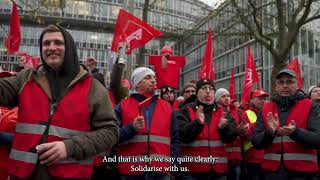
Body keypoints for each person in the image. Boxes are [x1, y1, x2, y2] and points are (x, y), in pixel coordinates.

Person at [0, 24, 119, 180]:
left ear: (69, 48)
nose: (51, 47)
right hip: (21, 175)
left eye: (58, 43)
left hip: (69, 175)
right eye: (46, 43)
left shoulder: (94, 88)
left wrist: (69, 147)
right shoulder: (26, 78)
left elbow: (110, 132)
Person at [252, 69, 320, 180]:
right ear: (276, 86)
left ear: (297, 85)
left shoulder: (310, 106)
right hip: (271, 173)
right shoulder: (265, 108)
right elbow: (256, 142)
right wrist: (270, 132)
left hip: (302, 174)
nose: (285, 86)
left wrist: (296, 132)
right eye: (281, 82)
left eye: (289, 82)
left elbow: (317, 139)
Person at [114, 67, 180, 180]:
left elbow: (175, 139)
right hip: (131, 172)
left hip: (161, 172)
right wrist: (131, 128)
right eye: (148, 77)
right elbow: (111, 137)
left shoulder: (167, 107)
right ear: (137, 83)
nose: (153, 80)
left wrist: (172, 164)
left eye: (154, 77)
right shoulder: (122, 106)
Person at [177, 79, 238, 180]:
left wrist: (223, 128)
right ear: (197, 93)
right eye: (204, 88)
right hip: (193, 172)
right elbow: (182, 136)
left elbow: (231, 138)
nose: (208, 91)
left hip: (218, 172)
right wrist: (197, 123)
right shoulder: (186, 110)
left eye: (211, 89)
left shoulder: (223, 112)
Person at [243, 88, 269, 180]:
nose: (263, 101)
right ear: (251, 100)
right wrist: (262, 125)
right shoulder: (245, 114)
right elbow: (246, 134)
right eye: (259, 98)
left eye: (264, 99)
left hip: (269, 158)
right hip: (253, 159)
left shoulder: (269, 113)